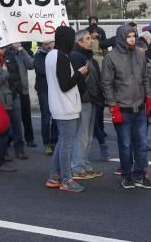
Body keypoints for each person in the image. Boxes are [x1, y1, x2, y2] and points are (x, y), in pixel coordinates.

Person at [102, 25, 151, 189]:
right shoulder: (110, 58)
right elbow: (106, 84)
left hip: (139, 108)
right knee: (125, 146)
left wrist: (150, 99)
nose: (132, 39)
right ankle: (126, 175)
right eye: (129, 36)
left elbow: (146, 79)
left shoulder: (140, 55)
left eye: (134, 35)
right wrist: (113, 107)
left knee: (142, 144)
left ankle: (140, 174)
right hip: (122, 109)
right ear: (121, 38)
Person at [45, 26, 87, 193]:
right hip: (66, 106)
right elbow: (65, 84)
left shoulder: (51, 55)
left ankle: (54, 177)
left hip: (59, 105)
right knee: (66, 144)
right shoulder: (61, 57)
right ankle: (66, 179)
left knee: (63, 142)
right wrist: (79, 73)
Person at [69, 30, 105, 180]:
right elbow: (78, 80)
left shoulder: (88, 57)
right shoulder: (76, 56)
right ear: (79, 42)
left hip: (91, 99)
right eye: (88, 38)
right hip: (84, 100)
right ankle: (77, 167)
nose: (91, 41)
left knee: (88, 136)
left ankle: (83, 164)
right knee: (82, 135)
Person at [3, 43, 36, 150]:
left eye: (19, 43)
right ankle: (11, 139)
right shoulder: (7, 54)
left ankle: (29, 139)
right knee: (13, 118)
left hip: (23, 89)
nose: (17, 45)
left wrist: (23, 51)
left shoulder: (21, 54)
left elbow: (31, 65)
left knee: (26, 116)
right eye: (15, 43)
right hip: (12, 90)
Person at [33, 40, 58, 155]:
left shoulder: (56, 54)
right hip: (44, 90)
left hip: (55, 90)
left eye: (51, 43)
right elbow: (42, 71)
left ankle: (54, 141)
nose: (49, 45)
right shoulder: (38, 56)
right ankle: (47, 144)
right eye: (46, 44)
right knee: (46, 118)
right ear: (41, 45)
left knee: (56, 117)